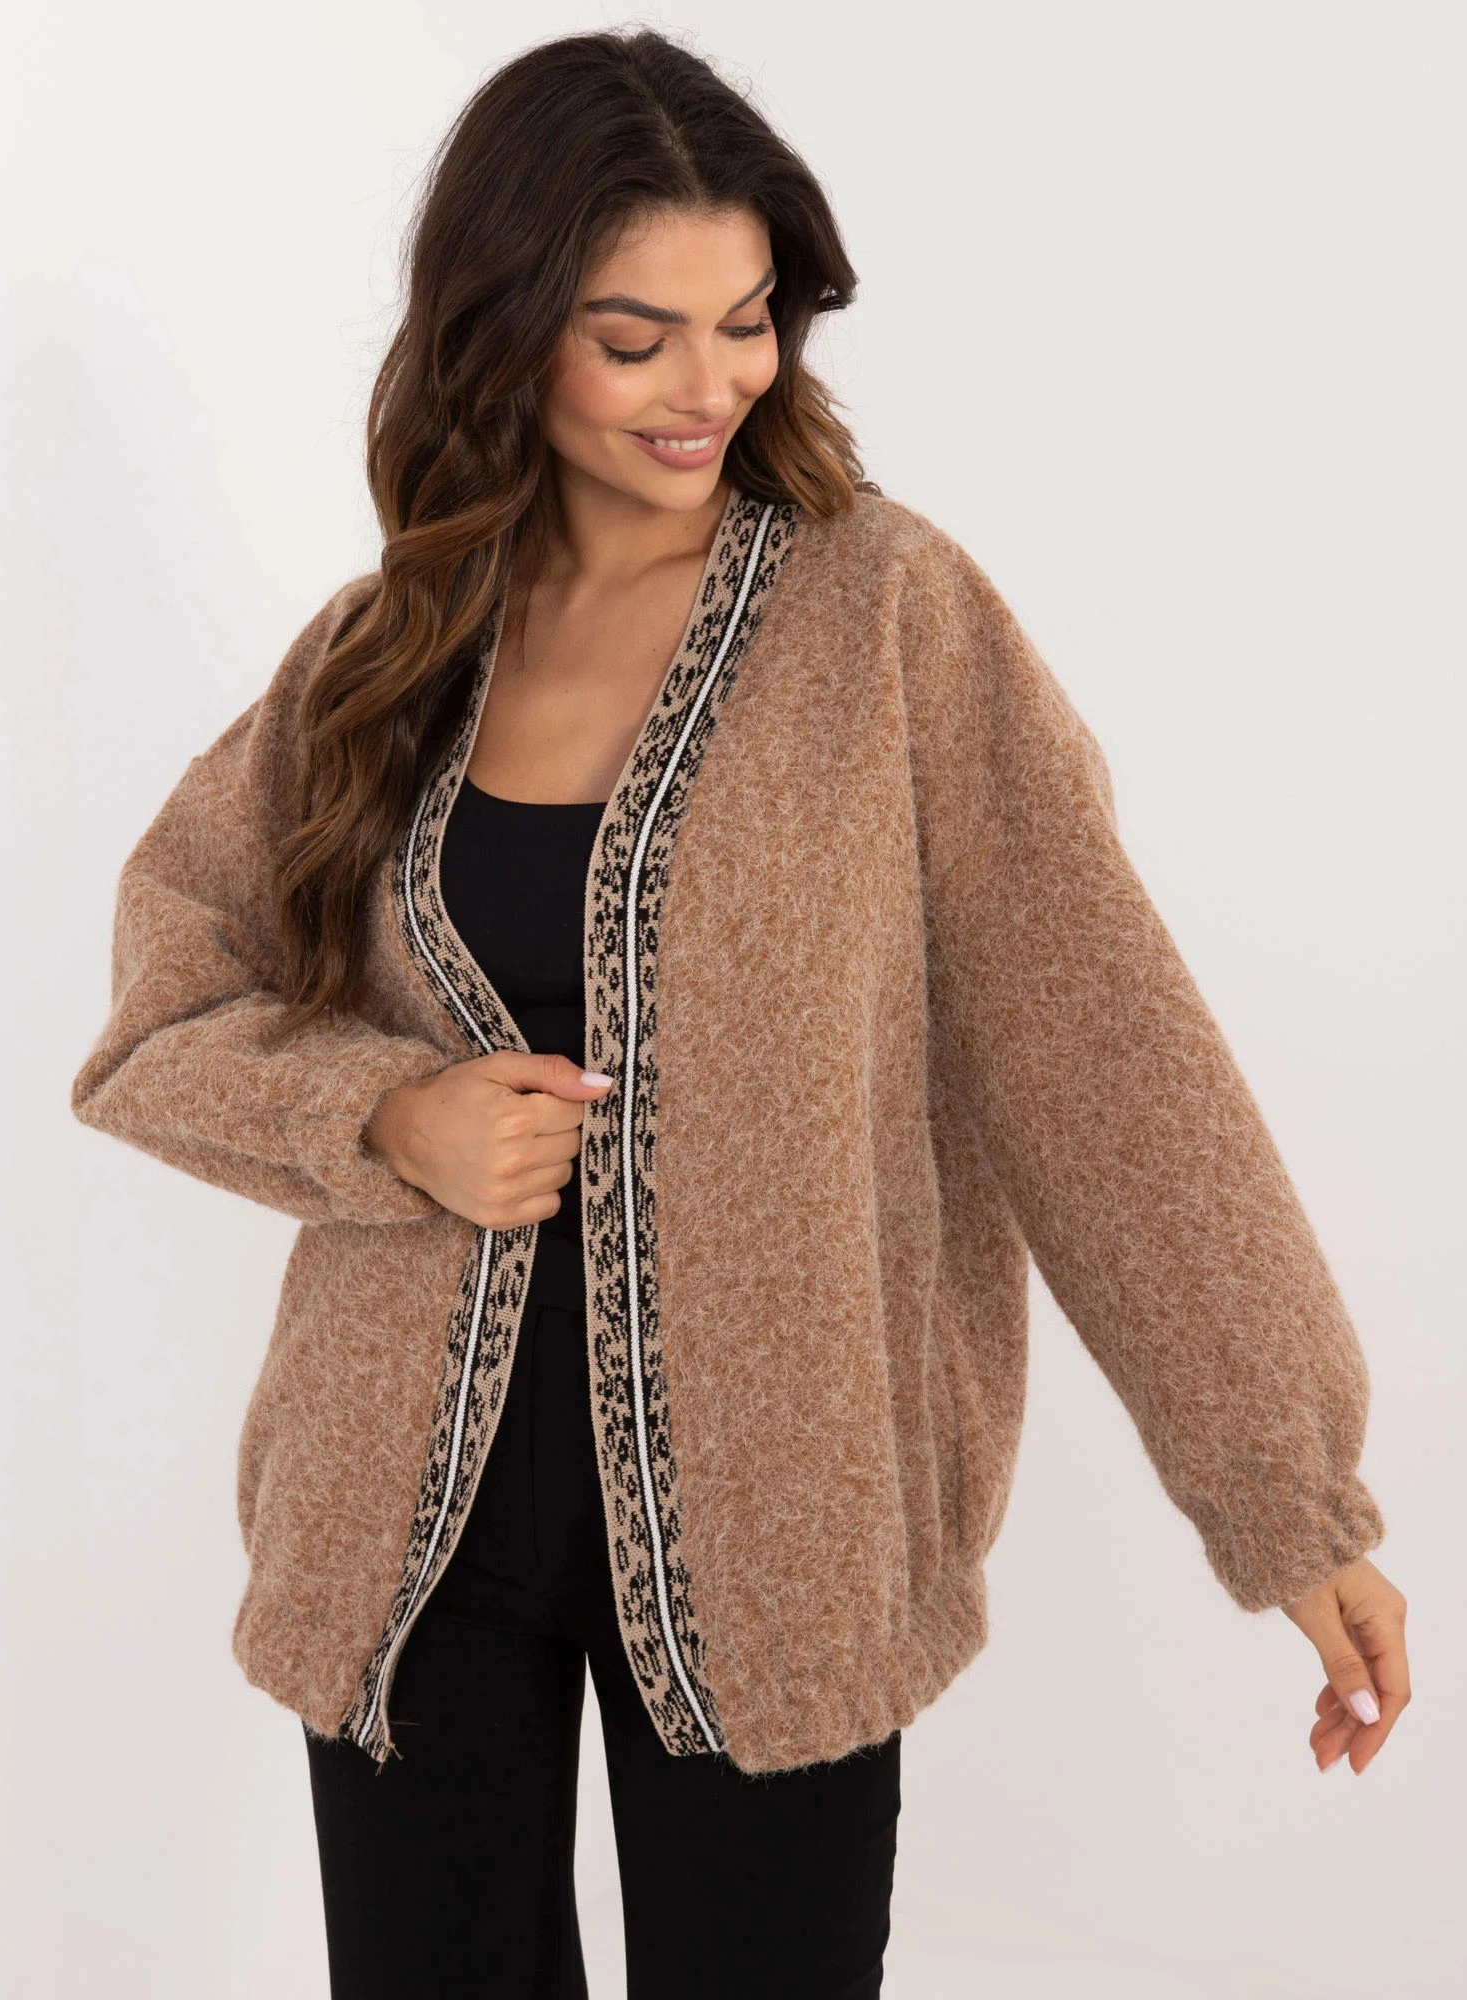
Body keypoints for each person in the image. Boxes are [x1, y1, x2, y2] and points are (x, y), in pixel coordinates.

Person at [68, 26, 1410, 2000]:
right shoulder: (389, 648)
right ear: (505, 333)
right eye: (637, 339)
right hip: (402, 1545)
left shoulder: (889, 620)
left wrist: (1288, 1505)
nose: (710, 386)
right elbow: (159, 1015)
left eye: (749, 320)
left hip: (783, 1540)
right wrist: (387, 1119)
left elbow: (1110, 1069)